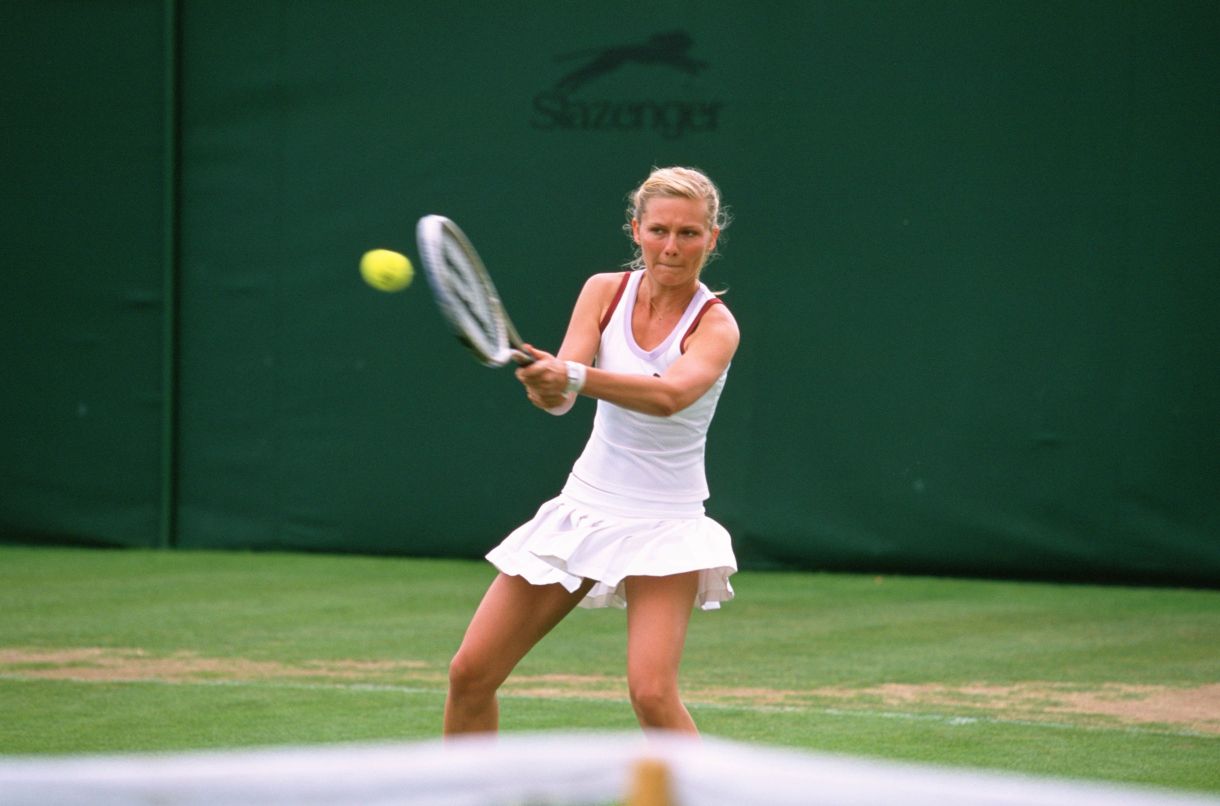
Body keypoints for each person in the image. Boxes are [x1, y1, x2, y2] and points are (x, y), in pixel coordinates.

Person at [444, 166, 740, 737]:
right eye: (659, 230)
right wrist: (546, 384)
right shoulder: (602, 291)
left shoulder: (717, 324)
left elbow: (671, 395)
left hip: (666, 523)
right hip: (584, 507)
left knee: (652, 693)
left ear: (712, 238)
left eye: (688, 233)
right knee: (470, 673)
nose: (672, 248)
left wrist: (572, 375)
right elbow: (559, 400)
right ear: (635, 230)